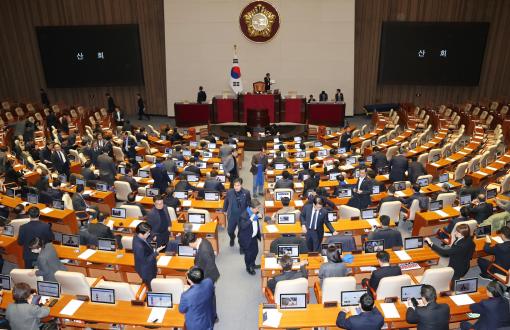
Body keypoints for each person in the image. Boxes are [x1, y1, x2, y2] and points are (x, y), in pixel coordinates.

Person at [133, 222, 164, 289]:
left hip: (147, 266)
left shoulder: (137, 236)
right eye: (147, 233)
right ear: (141, 234)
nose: (149, 234)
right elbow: (146, 261)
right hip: (146, 270)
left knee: (147, 282)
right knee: (150, 286)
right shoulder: (139, 246)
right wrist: (156, 252)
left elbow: (146, 243)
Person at [223, 178, 251, 248]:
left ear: (241, 185)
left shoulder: (246, 193)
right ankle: (232, 238)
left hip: (241, 216)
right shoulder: (230, 192)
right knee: (230, 231)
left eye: (238, 185)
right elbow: (226, 201)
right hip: (232, 215)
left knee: (241, 233)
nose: (236, 187)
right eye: (235, 185)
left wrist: (249, 213)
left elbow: (249, 204)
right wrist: (224, 210)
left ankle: (241, 244)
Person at [238, 199, 262, 275]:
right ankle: (248, 267)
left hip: (253, 237)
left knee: (255, 251)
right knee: (248, 255)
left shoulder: (255, 212)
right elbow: (243, 226)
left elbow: (258, 216)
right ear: (251, 208)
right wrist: (251, 219)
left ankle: (253, 264)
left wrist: (260, 216)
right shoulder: (243, 215)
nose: (258, 210)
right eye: (257, 208)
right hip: (246, 238)